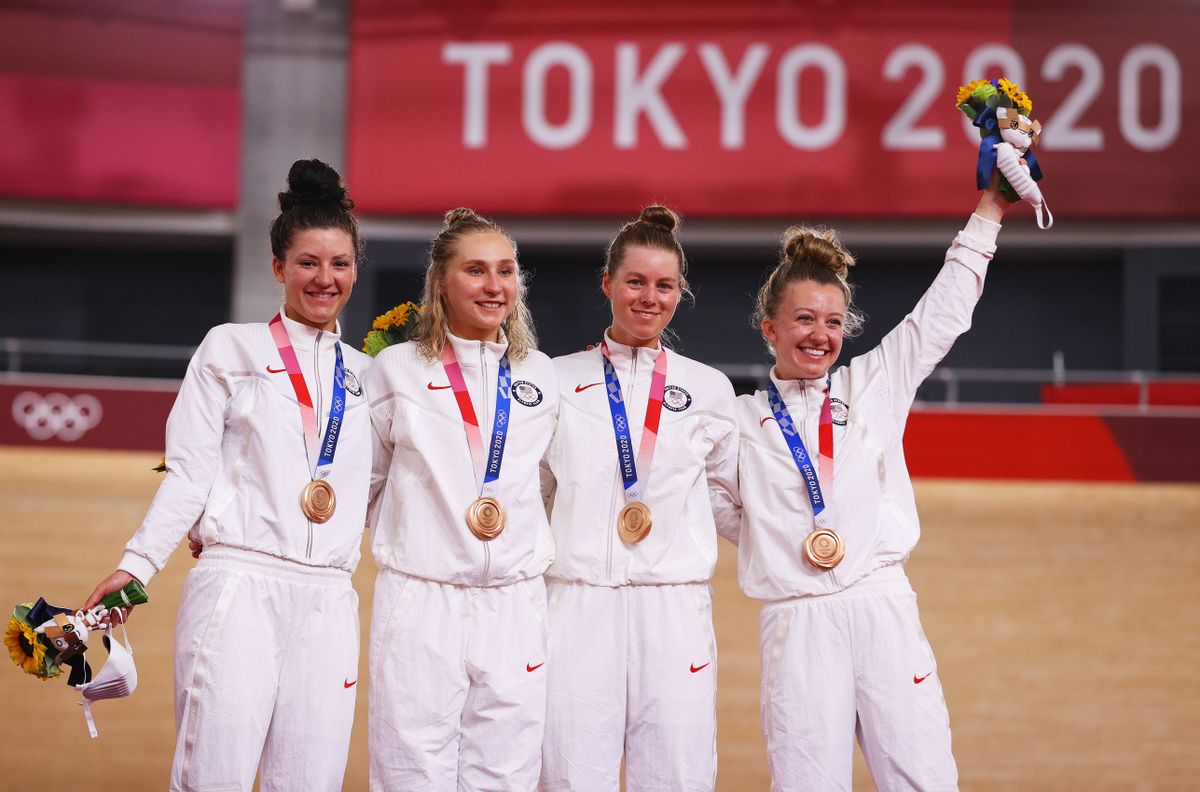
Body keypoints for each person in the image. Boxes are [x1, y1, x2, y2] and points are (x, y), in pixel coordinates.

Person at [82, 158, 374, 791]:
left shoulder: (371, 376)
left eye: (340, 264)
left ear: (356, 269)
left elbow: (377, 490)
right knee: (213, 779)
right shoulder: (230, 348)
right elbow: (188, 471)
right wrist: (136, 567)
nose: (325, 279)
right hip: (240, 584)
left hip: (329, 598)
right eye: (307, 263)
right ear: (277, 268)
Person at [735, 180, 1015, 791]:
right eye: (803, 319)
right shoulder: (738, 423)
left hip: (881, 607)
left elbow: (939, 315)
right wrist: (784, 544)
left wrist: (989, 212)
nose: (819, 335)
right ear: (769, 328)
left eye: (833, 322)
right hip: (798, 622)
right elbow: (729, 513)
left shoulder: (874, 384)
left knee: (924, 780)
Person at [539, 206, 740, 791]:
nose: (648, 297)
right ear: (607, 283)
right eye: (635, 281)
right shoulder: (555, 379)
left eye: (664, 285)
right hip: (578, 605)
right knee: (572, 776)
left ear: (680, 293)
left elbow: (728, 503)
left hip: (673, 610)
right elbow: (535, 494)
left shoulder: (708, 389)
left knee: (677, 777)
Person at [363, 208, 559, 791]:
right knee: (411, 768)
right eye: (475, 270)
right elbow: (366, 482)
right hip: (422, 598)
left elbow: (547, 486)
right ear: (440, 282)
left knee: (508, 772)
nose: (494, 285)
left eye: (505, 271)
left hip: (515, 604)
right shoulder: (395, 369)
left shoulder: (542, 376)